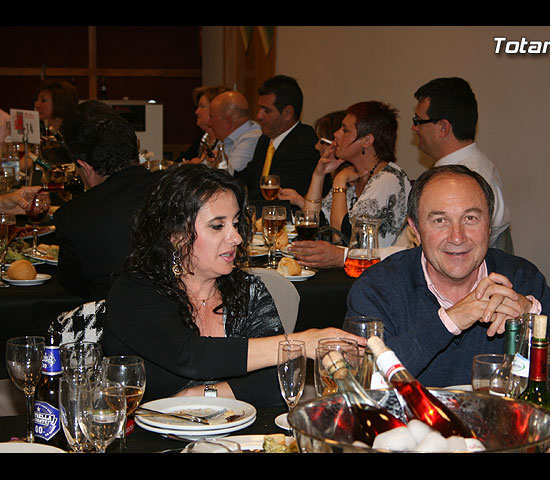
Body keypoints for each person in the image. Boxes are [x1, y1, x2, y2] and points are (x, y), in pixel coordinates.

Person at [102, 164, 361, 406]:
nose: (236, 237)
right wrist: (300, 342)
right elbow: (188, 355)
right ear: (176, 235)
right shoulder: (135, 291)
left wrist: (201, 395)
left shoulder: (247, 290)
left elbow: (278, 380)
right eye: (217, 226)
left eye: (236, 224)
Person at [346, 165, 550, 388]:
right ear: (415, 229)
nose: (457, 237)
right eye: (440, 221)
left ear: (489, 226)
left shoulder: (522, 279)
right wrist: (449, 321)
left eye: (470, 218)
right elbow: (362, 383)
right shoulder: (377, 288)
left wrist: (532, 319)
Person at [53, 100, 160, 300]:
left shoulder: (73, 217)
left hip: (115, 314)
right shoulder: (175, 189)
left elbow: (73, 285)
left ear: (85, 167)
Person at [288, 101, 412, 269]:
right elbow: (312, 221)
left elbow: (342, 237)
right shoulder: (355, 175)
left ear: (367, 140)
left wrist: (339, 181)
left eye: (345, 130)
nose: (336, 134)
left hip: (375, 274)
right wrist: (319, 175)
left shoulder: (388, 180)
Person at [412, 77, 512, 252]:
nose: (414, 128)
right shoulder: (470, 168)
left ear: (443, 128)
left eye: (418, 121)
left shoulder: (472, 179)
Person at [237, 75, 321, 201]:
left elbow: (275, 193)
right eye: (260, 108)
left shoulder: (303, 144)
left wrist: (235, 199)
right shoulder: (265, 139)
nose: (259, 116)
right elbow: (247, 177)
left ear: (287, 113)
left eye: (266, 111)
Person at [278, 110, 347, 209]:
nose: (317, 146)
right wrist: (298, 199)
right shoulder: (328, 175)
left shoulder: (347, 180)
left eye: (322, 141)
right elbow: (319, 214)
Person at [207, 90, 262, 174]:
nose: (209, 123)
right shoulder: (224, 138)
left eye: (212, 117)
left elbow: (228, 176)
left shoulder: (252, 138)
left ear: (228, 121)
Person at [177, 85, 230, 164]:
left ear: (216, 110)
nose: (196, 112)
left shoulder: (226, 141)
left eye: (202, 107)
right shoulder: (204, 138)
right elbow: (178, 161)